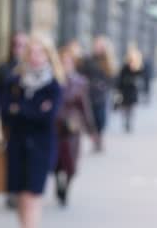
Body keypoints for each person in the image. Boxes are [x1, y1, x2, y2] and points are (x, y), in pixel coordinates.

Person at [6, 35, 64, 228]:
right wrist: (33, 110)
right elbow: (7, 111)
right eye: (31, 52)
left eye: (40, 53)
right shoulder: (15, 81)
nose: (35, 57)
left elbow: (47, 117)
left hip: (41, 147)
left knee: (33, 195)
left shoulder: (53, 84)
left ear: (48, 56)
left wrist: (21, 110)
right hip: (16, 145)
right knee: (21, 196)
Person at [54, 47, 95, 206]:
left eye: (68, 62)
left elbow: (85, 107)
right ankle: (58, 183)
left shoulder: (80, 81)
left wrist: (91, 130)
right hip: (56, 125)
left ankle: (66, 188)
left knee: (71, 162)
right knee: (58, 161)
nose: (65, 64)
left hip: (72, 126)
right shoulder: (54, 80)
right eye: (63, 61)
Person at [0, 32, 28, 209]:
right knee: (10, 155)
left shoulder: (33, 68)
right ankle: (11, 191)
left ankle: (22, 189)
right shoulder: (4, 67)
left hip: (28, 122)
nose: (19, 49)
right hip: (8, 119)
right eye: (16, 45)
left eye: (23, 45)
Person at [78, 36, 117, 152]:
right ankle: (95, 138)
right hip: (89, 93)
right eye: (96, 45)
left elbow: (112, 77)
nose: (98, 48)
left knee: (101, 118)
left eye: (100, 46)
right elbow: (81, 74)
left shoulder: (108, 60)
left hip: (102, 95)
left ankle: (99, 137)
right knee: (91, 118)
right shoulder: (88, 59)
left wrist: (104, 85)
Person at [117, 46, 144, 133]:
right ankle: (125, 122)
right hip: (125, 91)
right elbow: (120, 79)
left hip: (133, 91)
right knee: (125, 108)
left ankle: (129, 123)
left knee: (131, 109)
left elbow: (141, 78)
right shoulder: (124, 67)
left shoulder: (138, 68)